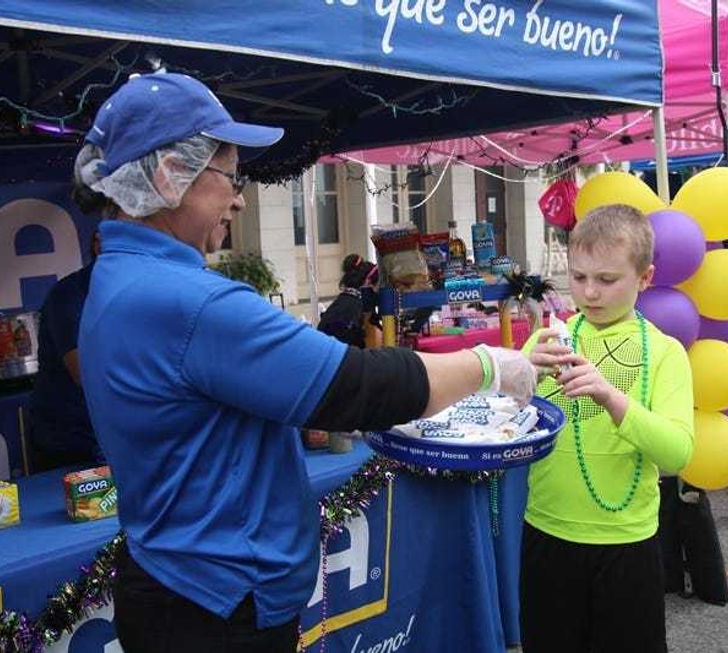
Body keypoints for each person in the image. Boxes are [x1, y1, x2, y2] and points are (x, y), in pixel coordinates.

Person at [71, 72, 538, 653]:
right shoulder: (189, 302)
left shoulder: (118, 275)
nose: (239, 198)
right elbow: (359, 385)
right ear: (169, 177)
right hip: (219, 604)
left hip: (173, 579)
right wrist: (489, 364)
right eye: (230, 176)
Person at [519, 204, 695, 652]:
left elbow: (677, 455)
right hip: (547, 530)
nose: (590, 293)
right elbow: (508, 425)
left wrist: (612, 397)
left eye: (607, 280)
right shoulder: (548, 341)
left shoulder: (664, 351)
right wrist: (519, 378)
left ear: (645, 277)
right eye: (578, 278)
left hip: (626, 542)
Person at [28, 229, 102, 472]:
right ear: (98, 244)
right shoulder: (70, 294)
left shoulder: (141, 291)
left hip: (115, 439)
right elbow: (84, 372)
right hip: (70, 443)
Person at [317, 254, 378, 348]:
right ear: (368, 283)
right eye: (376, 286)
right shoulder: (355, 306)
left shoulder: (346, 300)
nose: (377, 292)